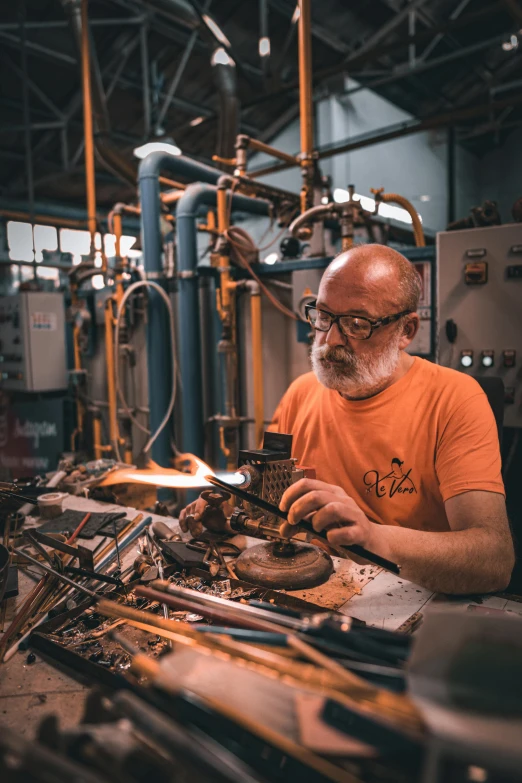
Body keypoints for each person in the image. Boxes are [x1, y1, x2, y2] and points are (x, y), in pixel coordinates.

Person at [181, 245, 515, 595]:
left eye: (357, 324)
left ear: (406, 330)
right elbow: (269, 509)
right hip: (317, 589)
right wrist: (226, 516)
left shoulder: (454, 400)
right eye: (324, 317)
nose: (330, 341)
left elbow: (493, 561)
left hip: (410, 598)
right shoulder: (302, 392)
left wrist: (373, 538)